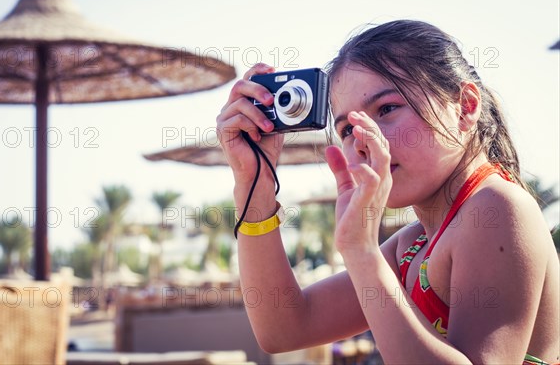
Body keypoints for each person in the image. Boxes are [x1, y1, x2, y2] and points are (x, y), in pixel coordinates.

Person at [216, 20, 559, 364]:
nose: (366, 139)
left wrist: (362, 254)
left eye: (387, 109)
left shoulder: (496, 208)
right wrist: (253, 184)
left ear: (466, 106)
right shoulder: (412, 246)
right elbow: (284, 329)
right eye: (348, 128)